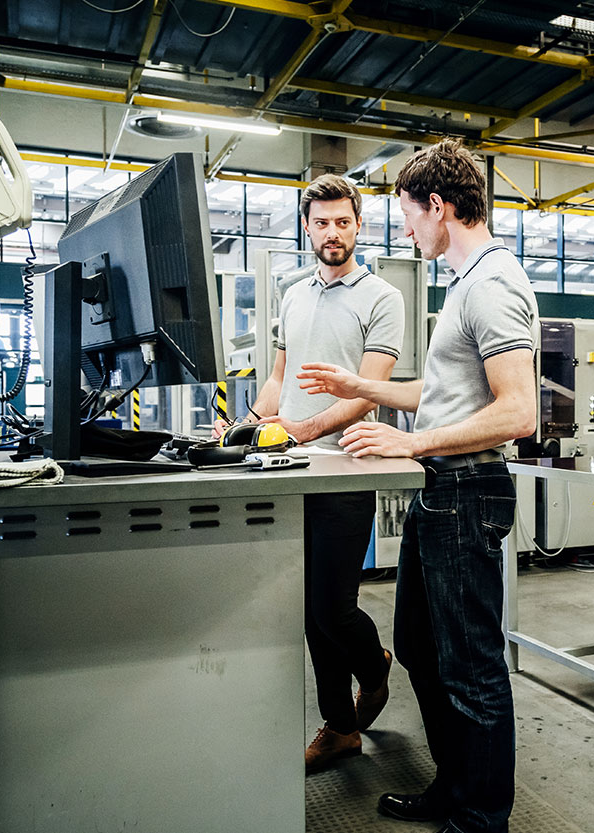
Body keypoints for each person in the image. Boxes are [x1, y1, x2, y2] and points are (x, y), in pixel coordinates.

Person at [297, 139, 538, 833]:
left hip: (467, 490)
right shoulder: (465, 283)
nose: (404, 230)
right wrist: (359, 386)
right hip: (443, 493)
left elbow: (516, 412)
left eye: (408, 216)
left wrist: (411, 440)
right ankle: (454, 785)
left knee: (470, 666)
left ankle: (480, 815)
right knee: (418, 645)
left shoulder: (491, 282)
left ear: (439, 206)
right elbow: (438, 393)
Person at [233, 173, 405, 773]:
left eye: (342, 221)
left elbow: (368, 391)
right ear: (306, 227)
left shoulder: (382, 297)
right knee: (307, 609)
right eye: (321, 222)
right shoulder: (292, 293)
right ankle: (339, 726)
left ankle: (375, 665)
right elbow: (280, 378)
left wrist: (304, 430)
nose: (332, 232)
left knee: (334, 606)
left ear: (358, 225)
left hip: (348, 467)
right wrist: (244, 424)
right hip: (292, 469)